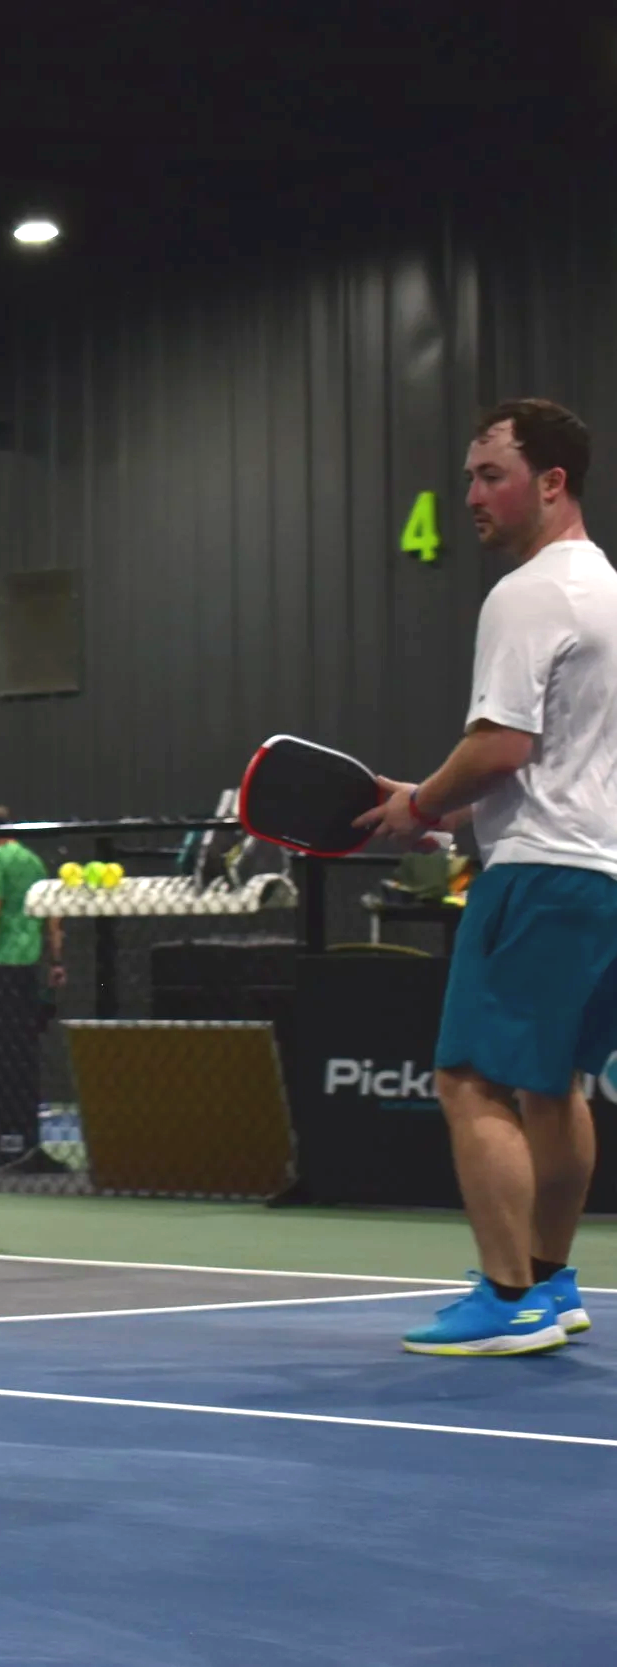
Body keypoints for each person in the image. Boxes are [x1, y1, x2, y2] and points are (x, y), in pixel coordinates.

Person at [358, 399, 613, 1356]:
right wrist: (446, 808)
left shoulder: (526, 593)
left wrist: (419, 803)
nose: (471, 494)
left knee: (469, 1079)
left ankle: (508, 1299)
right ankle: (551, 1280)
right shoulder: (608, 589)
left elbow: (501, 745)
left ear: (552, 482)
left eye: (490, 475)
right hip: (603, 876)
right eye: (469, 476)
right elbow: (566, 759)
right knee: (554, 1085)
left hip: (540, 877)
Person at [0, 805, 64, 1166]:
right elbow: (52, 917)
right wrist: (56, 960)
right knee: (20, 1051)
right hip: (28, 966)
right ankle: (19, 1128)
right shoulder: (32, 860)